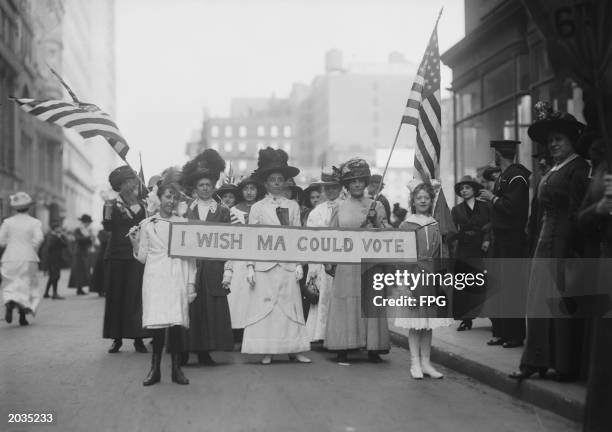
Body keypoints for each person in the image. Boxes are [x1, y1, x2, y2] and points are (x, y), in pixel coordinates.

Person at [510, 103, 590, 381]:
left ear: (571, 141)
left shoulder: (579, 169)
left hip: (565, 246)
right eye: (551, 141)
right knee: (538, 303)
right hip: (544, 243)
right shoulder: (554, 169)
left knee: (559, 305)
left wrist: (576, 250)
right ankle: (536, 361)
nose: (553, 144)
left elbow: (582, 211)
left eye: (559, 140)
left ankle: (564, 365)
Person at [242, 147, 311, 365]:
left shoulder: (292, 206)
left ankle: (295, 348)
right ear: (266, 183)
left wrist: (300, 263)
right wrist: (250, 266)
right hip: (265, 265)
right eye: (272, 180)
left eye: (280, 179)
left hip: (288, 264)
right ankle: (267, 350)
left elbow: (298, 236)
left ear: (285, 182)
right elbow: (251, 238)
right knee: (267, 308)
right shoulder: (258, 208)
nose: (277, 183)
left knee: (290, 306)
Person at [130, 180, 197, 386]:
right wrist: (135, 242)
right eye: (167, 196)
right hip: (155, 278)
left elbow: (191, 258)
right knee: (158, 325)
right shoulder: (147, 225)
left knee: (176, 324)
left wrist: (190, 284)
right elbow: (143, 257)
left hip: (177, 276)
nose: (171, 200)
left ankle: (176, 369)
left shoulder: (183, 224)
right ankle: (155, 369)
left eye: (174, 197)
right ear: (158, 199)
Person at [324, 158, 390, 364]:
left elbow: (389, 234)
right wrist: (328, 261)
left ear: (365, 182)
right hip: (345, 263)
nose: (356, 184)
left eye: (360, 180)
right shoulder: (339, 208)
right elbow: (330, 236)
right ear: (346, 184)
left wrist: (376, 223)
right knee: (344, 300)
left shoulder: (376, 205)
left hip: (370, 262)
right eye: (352, 181)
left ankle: (373, 348)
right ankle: (342, 347)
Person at [178, 149, 234, 365]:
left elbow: (229, 242)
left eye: (208, 185)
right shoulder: (185, 210)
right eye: (201, 185)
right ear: (195, 187)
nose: (204, 188)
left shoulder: (222, 211)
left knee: (209, 309)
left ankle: (204, 351)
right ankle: (183, 351)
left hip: (212, 266)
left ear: (213, 187)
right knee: (188, 307)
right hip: (190, 265)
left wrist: (228, 270)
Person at [396, 182, 454, 379]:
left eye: (426, 198)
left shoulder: (435, 223)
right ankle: (414, 363)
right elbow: (402, 254)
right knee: (415, 322)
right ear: (413, 200)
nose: (422, 200)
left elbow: (440, 252)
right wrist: (403, 281)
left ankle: (426, 362)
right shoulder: (407, 224)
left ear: (431, 201)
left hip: (432, 276)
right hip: (414, 274)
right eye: (419, 197)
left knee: (428, 322)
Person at [478, 139, 531, 349]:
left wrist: (492, 199)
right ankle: (501, 332)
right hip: (500, 240)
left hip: (512, 240)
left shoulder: (517, 176)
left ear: (499, 154)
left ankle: (515, 335)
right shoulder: (505, 177)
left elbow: (514, 208)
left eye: (495, 153)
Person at [102, 165, 149, 353]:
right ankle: (117, 338)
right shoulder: (111, 204)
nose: (132, 186)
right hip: (116, 256)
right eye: (128, 183)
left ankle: (138, 337)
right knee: (116, 297)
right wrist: (108, 210)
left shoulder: (144, 205)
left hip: (137, 255)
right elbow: (107, 227)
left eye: (133, 182)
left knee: (136, 297)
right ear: (120, 186)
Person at [305, 168, 343, 343]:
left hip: (342, 260)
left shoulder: (346, 207)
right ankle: (320, 333)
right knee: (322, 298)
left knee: (340, 297)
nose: (330, 191)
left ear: (341, 187)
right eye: (327, 188)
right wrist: (312, 267)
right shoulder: (316, 212)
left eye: (334, 187)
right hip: (322, 261)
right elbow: (311, 240)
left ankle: (339, 334)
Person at [451, 175, 491, 331]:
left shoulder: (486, 206)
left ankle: (492, 317)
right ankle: (466, 319)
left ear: (474, 189)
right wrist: (458, 236)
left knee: (483, 283)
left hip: (482, 249)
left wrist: (487, 239)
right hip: (464, 250)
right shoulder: (456, 210)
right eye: (461, 189)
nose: (464, 191)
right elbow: (452, 232)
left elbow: (491, 224)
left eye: (467, 187)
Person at [226, 176, 264, 340]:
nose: (249, 192)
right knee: (238, 293)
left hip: (258, 253)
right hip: (240, 256)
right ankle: (236, 331)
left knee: (256, 293)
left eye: (253, 189)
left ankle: (254, 330)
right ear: (241, 191)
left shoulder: (263, 208)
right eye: (246, 189)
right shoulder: (234, 210)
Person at [0, 192, 44, 326]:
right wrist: (33, 249)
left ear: (14, 208)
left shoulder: (7, 222)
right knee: (26, 285)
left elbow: (1, 241)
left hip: (9, 257)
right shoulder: (35, 222)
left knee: (10, 283)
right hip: (28, 257)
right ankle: (22, 317)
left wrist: (8, 244)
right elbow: (39, 238)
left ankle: (9, 302)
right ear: (29, 207)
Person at [68, 214, 94, 295]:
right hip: (79, 253)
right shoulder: (78, 230)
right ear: (84, 222)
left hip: (85, 252)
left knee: (84, 271)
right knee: (79, 271)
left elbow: (89, 241)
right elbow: (78, 239)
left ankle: (81, 288)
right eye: (88, 222)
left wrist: (90, 239)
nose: (89, 224)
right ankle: (79, 288)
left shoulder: (87, 230)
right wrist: (88, 238)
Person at [42, 222, 69, 299]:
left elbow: (65, 245)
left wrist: (60, 237)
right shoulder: (50, 236)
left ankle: (46, 293)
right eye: (59, 227)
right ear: (55, 228)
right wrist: (58, 238)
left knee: (52, 277)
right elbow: (50, 247)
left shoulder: (56, 236)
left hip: (56, 259)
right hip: (52, 260)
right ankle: (55, 293)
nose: (60, 229)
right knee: (55, 276)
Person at [90, 229, 110, 297]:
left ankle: (105, 289)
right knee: (101, 273)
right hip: (102, 255)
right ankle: (101, 290)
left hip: (108, 254)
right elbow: (103, 241)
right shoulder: (101, 232)